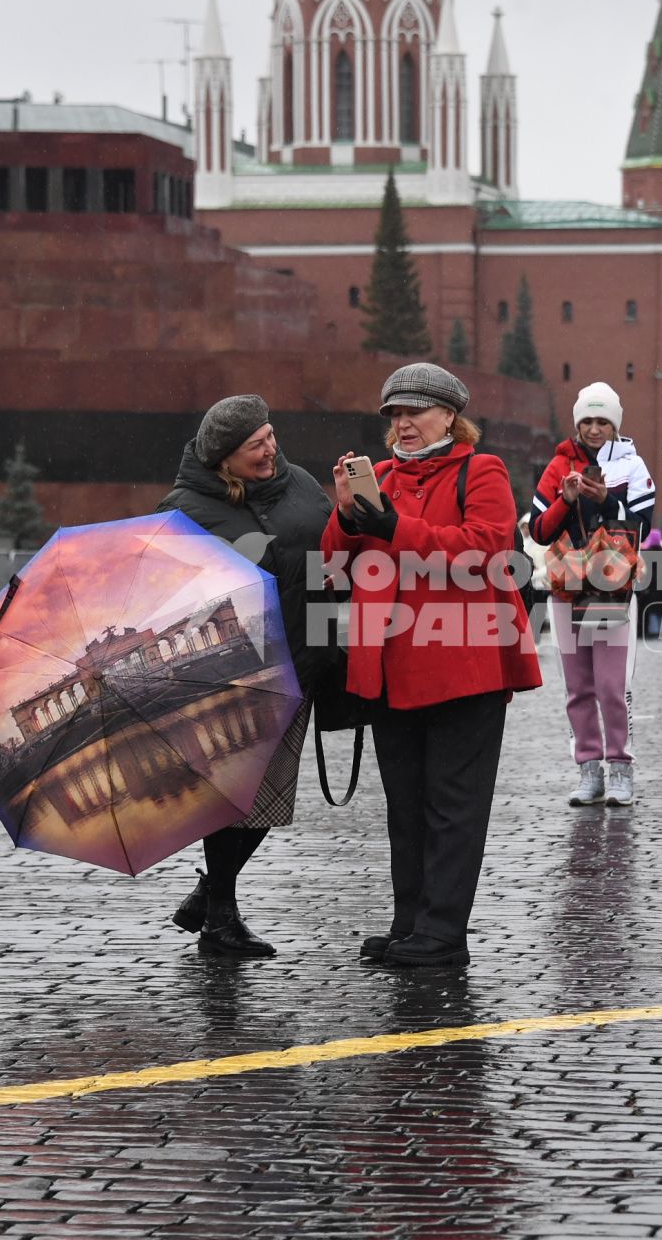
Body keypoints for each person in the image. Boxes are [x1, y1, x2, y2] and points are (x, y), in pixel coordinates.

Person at [323, 363, 543, 966]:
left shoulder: (483, 469)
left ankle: (443, 933)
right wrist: (345, 517)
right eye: (394, 414)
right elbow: (334, 566)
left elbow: (487, 550)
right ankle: (410, 923)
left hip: (463, 665)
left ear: (449, 416)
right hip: (390, 666)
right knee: (406, 805)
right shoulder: (382, 476)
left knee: (453, 805)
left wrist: (396, 527)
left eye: (414, 412)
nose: (402, 424)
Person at [158, 394, 334, 957]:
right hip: (231, 677)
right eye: (255, 446)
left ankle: (212, 897)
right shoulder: (187, 507)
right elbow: (174, 595)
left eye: (270, 436)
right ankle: (221, 919)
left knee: (270, 794)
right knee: (230, 795)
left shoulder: (300, 483)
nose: (270, 451)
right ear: (224, 460)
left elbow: (334, 552)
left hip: (303, 661)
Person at [530, 382, 656, 806]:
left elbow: (642, 525)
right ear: (577, 422)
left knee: (611, 686)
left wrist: (607, 503)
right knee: (578, 687)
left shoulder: (632, 467)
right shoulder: (557, 466)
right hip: (566, 587)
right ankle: (589, 770)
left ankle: (620, 767)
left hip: (612, 587)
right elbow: (539, 530)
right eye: (588, 420)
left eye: (603, 421)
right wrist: (565, 500)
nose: (595, 428)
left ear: (615, 424)